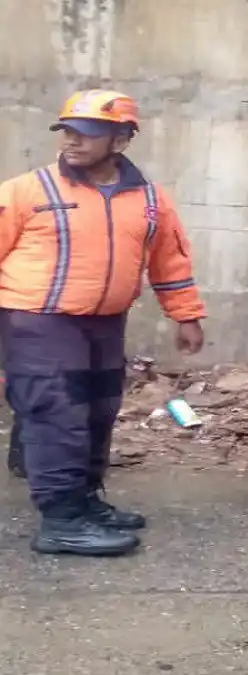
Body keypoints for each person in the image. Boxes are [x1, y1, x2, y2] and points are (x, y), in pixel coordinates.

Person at [0, 89, 206, 556]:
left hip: (105, 323)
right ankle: (60, 520)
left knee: (98, 411)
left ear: (121, 140)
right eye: (67, 132)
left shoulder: (151, 200)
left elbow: (169, 261)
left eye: (86, 134)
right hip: (39, 323)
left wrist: (186, 315)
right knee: (58, 416)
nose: (72, 142)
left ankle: (85, 500)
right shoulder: (26, 191)